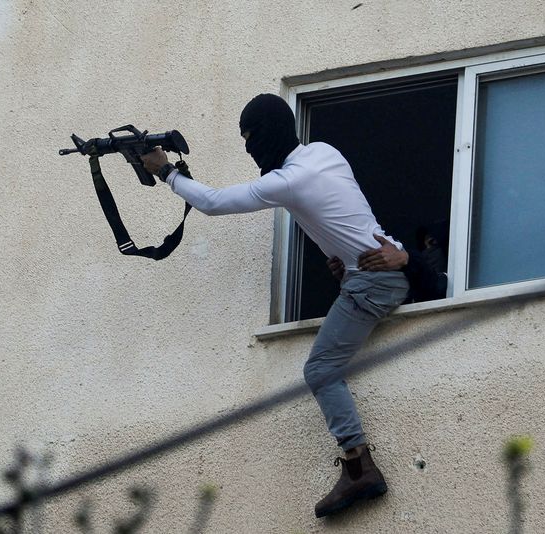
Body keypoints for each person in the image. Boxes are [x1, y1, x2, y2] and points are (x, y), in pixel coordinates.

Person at [141, 94, 409, 518]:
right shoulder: (323, 153)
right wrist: (349, 254)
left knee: (319, 370)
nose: (250, 148)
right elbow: (347, 214)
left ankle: (359, 468)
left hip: (372, 282)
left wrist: (166, 172)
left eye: (252, 138)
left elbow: (211, 203)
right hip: (373, 271)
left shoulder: (287, 181)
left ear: (270, 132)